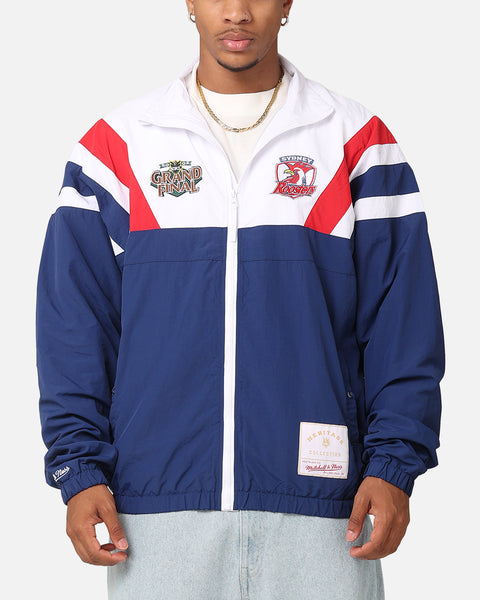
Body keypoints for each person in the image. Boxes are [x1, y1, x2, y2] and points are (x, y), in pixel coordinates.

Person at [35, 1, 444, 598]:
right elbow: (74, 326)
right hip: (155, 512)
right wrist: (79, 469)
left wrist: (394, 466)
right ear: (189, 3)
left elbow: (403, 321)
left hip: (326, 509)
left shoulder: (355, 142)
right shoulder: (118, 147)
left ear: (288, 3)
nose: (236, 11)